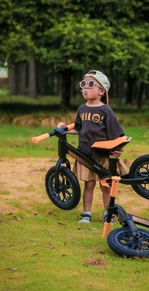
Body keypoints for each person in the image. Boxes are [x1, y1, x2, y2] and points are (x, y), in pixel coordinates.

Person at [57, 70, 125, 223]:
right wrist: (64, 128)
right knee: (89, 184)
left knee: (106, 186)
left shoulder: (106, 110)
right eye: (83, 84)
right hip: (85, 154)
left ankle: (108, 213)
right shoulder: (82, 109)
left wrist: (118, 148)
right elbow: (79, 128)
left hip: (102, 154)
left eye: (90, 84)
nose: (85, 88)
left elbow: (116, 132)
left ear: (101, 90)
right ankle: (86, 213)